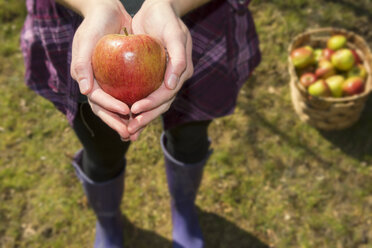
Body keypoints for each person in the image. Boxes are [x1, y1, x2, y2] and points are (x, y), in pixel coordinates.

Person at [20, 0, 261, 247]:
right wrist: (93, 6)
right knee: (102, 152)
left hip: (199, 18)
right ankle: (107, 218)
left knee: (190, 138)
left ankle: (184, 205)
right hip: (83, 25)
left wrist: (172, 4)